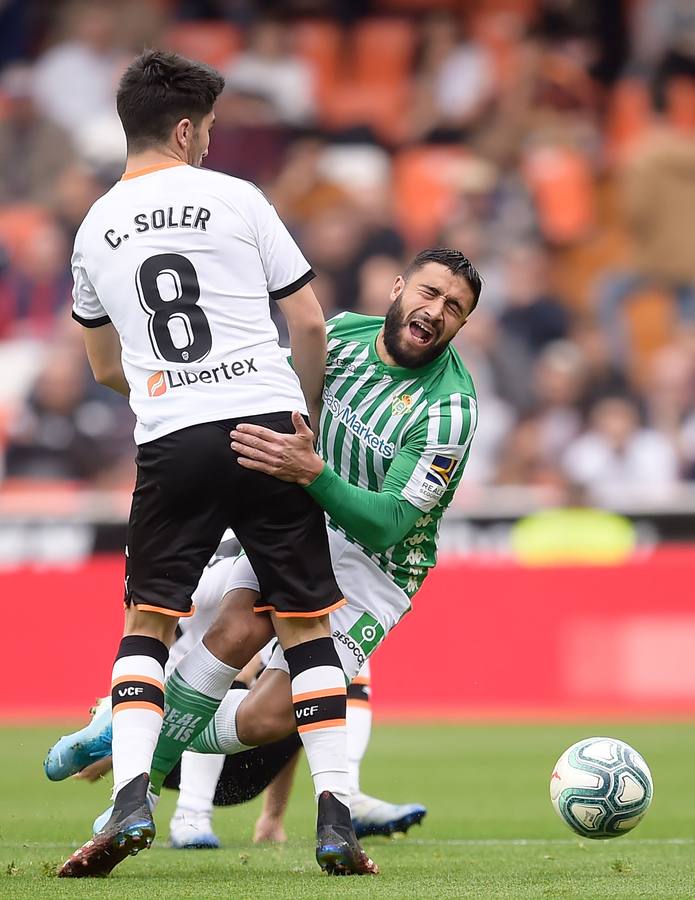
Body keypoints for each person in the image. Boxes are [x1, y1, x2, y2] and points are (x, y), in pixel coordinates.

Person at [53, 248, 480, 877]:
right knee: (233, 629)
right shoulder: (340, 338)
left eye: (453, 308)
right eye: (429, 293)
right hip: (302, 518)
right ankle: (139, 791)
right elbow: (263, 392)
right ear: (398, 287)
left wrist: (314, 473)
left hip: (378, 567)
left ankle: (132, 724)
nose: (434, 312)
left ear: (462, 325)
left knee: (269, 718)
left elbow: (390, 521)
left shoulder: (451, 410)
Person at [59, 48, 370, 878]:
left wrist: (174, 391)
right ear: (188, 128)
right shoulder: (237, 197)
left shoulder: (93, 227)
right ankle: (334, 818)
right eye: (209, 131)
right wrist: (296, 424)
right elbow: (307, 325)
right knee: (306, 629)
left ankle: (131, 795)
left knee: (148, 624)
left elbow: (99, 369)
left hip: (172, 433)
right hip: (264, 419)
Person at [45, 534, 427, 847]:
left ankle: (133, 752)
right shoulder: (266, 556)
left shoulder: (206, 548)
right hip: (211, 747)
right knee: (314, 671)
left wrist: (272, 817)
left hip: (207, 743)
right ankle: (190, 816)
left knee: (311, 679)